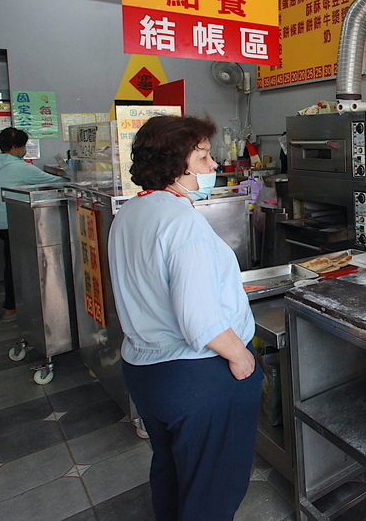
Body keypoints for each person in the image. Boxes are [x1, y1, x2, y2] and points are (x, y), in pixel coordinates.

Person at [108, 115, 260, 521]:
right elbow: (200, 319)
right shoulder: (182, 222)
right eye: (204, 156)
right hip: (197, 377)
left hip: (146, 371)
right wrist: (241, 357)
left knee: (173, 472)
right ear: (177, 163)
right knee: (212, 490)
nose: (213, 166)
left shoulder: (131, 212)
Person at [0, 127, 67, 322]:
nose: (25, 150)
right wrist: (75, 178)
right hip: (16, 222)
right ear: (14, 147)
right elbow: (54, 181)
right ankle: (17, 307)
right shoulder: (18, 166)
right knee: (20, 266)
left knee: (11, 262)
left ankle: (12, 307)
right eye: (23, 146)